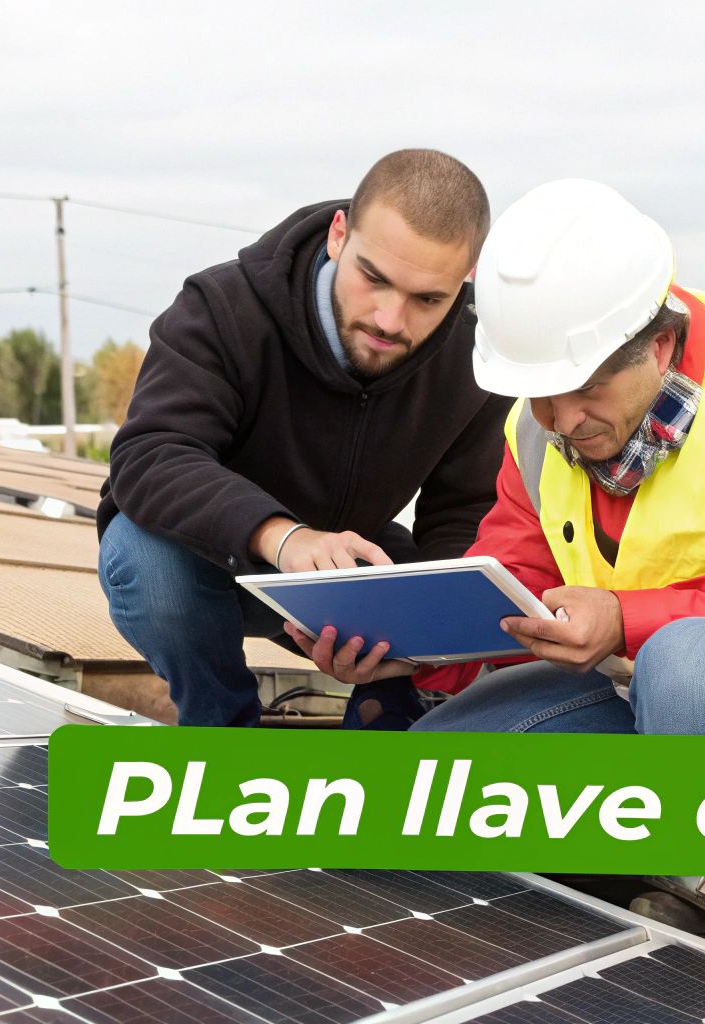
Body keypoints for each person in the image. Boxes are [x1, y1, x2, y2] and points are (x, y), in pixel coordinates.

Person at [291, 178, 705, 982]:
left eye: (585, 389)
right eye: (540, 394)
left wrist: (623, 620)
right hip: (660, 703)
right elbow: (512, 591)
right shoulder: (538, 427)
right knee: (424, 794)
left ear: (659, 345)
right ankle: (673, 872)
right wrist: (412, 651)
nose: (561, 420)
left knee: (689, 667)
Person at [97, 149, 511, 730]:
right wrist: (282, 537)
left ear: (466, 277)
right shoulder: (223, 307)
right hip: (212, 563)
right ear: (339, 234)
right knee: (145, 557)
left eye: (428, 299)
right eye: (375, 279)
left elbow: (466, 516)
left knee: (479, 596)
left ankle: (389, 722)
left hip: (345, 567)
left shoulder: (478, 355)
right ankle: (222, 733)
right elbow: (150, 455)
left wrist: (421, 640)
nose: (390, 319)